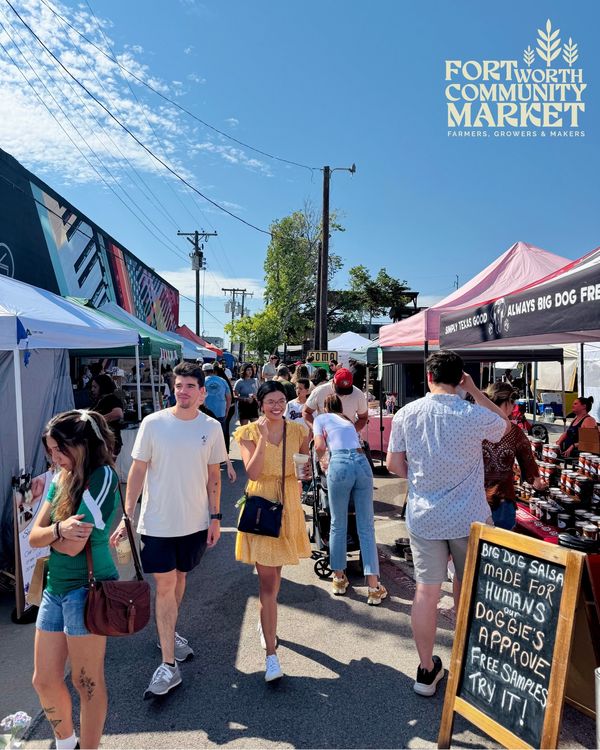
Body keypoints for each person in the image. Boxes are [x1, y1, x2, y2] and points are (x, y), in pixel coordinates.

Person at [386, 350, 508, 698]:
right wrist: (475, 390)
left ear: (429, 377)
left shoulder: (407, 413)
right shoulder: (472, 413)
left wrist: (420, 481)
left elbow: (394, 464)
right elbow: (504, 425)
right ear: (460, 379)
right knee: (467, 588)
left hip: (425, 515)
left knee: (427, 592)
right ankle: (467, 659)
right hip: (469, 516)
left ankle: (426, 670)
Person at [110, 362, 227, 698]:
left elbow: (214, 476)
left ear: (202, 392)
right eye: (179, 385)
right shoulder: (153, 424)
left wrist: (216, 517)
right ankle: (168, 665)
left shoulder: (211, 427)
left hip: (195, 523)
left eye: (190, 386)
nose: (183, 391)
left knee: (180, 578)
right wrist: (127, 514)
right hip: (157, 522)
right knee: (164, 585)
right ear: (172, 389)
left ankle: (169, 631)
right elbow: (137, 470)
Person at [29, 410, 120, 750]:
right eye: (51, 450)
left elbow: (73, 547)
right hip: (55, 589)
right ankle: (67, 744)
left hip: (89, 590)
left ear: (82, 444)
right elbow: (34, 536)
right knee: (43, 680)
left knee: (87, 683)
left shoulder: (103, 476)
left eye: (60, 449)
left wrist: (53, 534)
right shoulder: (60, 477)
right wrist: (59, 529)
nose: (54, 458)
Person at [233, 381, 311, 682]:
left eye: (280, 401)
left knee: (275, 580)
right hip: (261, 507)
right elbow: (253, 472)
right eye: (270, 402)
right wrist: (264, 439)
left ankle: (267, 620)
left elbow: (303, 469)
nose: (276, 407)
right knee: (267, 584)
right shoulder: (248, 432)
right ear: (261, 403)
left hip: (288, 504)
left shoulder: (299, 430)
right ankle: (271, 655)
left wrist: (305, 471)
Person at [313, 395, 387, 604]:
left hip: (339, 463)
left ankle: (339, 579)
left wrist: (323, 462)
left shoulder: (321, 419)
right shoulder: (347, 421)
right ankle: (373, 587)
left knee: (338, 524)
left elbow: (319, 446)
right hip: (361, 462)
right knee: (366, 527)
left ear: (325, 408)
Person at [482, 383, 546, 530]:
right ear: (507, 403)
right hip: (501, 499)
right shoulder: (514, 432)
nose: (514, 407)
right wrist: (537, 483)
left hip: (472, 498)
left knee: (474, 543)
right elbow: (528, 462)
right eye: (513, 403)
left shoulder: (475, 427)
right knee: (502, 542)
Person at [303, 368, 368, 433]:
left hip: (348, 435)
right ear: (333, 382)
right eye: (340, 390)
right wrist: (316, 430)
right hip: (325, 436)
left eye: (346, 391)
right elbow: (306, 412)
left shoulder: (358, 394)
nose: (342, 394)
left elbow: (363, 417)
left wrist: (351, 431)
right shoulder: (319, 391)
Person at [90, 374, 124, 457]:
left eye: (95, 387)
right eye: (92, 387)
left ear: (102, 387)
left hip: (108, 443)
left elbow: (118, 413)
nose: (92, 389)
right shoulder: (100, 399)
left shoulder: (111, 398)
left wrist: (97, 420)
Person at [202, 362, 231, 439]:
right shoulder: (222, 380)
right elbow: (229, 398)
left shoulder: (202, 381)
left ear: (204, 372)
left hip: (206, 413)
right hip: (221, 412)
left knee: (207, 436)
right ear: (212, 370)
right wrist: (227, 411)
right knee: (220, 436)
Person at [214, 362, 235, 452]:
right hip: (230, 407)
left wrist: (226, 410)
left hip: (227, 407)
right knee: (225, 429)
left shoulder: (219, 381)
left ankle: (224, 450)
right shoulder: (224, 380)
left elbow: (228, 398)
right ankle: (225, 450)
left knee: (223, 430)